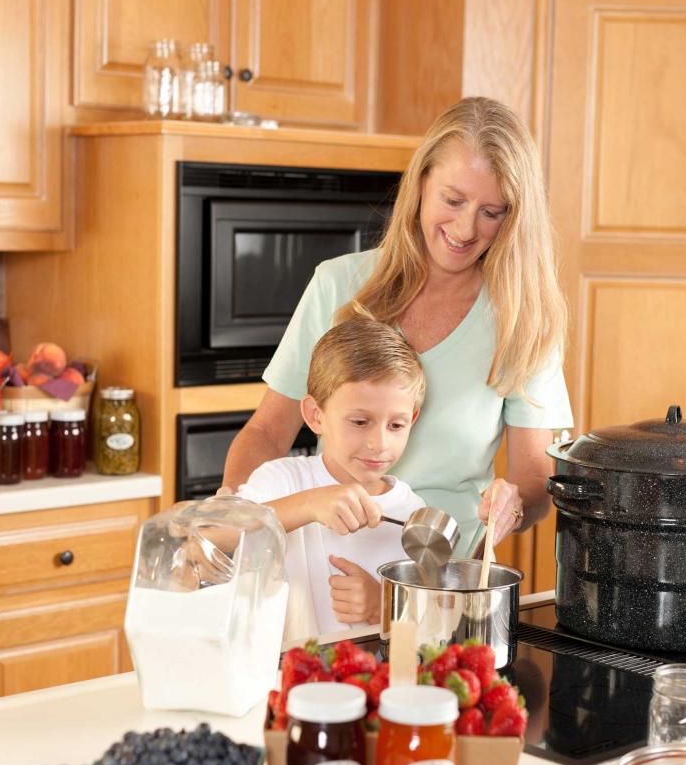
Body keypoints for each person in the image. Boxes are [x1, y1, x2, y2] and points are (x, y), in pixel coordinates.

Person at [222, 95, 573, 557]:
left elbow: (533, 480)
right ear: (422, 182)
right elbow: (268, 433)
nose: (466, 229)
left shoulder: (525, 318)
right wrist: (228, 523)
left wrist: (513, 503)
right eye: (453, 199)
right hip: (325, 559)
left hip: (438, 577)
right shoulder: (337, 284)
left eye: (493, 212)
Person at [235, 319, 426, 641]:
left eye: (396, 425)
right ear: (315, 415)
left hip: (368, 685)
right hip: (289, 682)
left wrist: (383, 607)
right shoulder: (282, 480)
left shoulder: (413, 513)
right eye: (360, 421)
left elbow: (428, 632)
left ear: (413, 420)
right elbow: (216, 536)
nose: (379, 443)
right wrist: (308, 504)